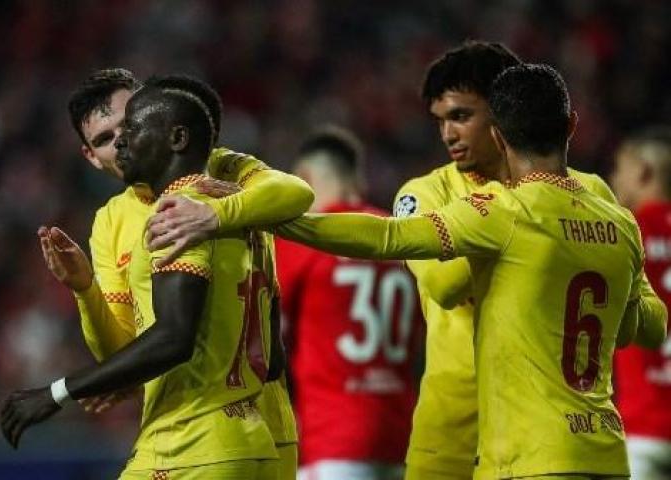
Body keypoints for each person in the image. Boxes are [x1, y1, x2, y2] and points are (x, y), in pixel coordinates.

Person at [272, 64, 660, 479]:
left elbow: (387, 238)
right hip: (605, 451)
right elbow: (645, 329)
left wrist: (280, 221)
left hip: (530, 455)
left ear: (498, 134)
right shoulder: (619, 220)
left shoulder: (504, 211)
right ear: (571, 125)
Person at [2, 75, 310, 479]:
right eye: (105, 139)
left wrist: (216, 215)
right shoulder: (111, 221)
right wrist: (85, 290)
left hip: (210, 430)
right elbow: (123, 349)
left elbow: (297, 194)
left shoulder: (212, 177)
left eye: (129, 124)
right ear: (90, 156)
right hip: (236, 432)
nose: (120, 143)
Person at [391, 41, 669, 479]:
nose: (448, 135)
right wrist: (517, 226)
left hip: (549, 434)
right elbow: (444, 287)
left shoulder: (590, 192)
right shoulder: (424, 194)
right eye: (440, 121)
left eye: (462, 116)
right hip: (450, 440)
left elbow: (650, 317)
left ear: (502, 115)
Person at [275, 126, 421, 480]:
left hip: (332, 436)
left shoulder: (307, 237)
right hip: (402, 436)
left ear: (306, 178)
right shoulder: (402, 237)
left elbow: (269, 336)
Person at [611, 127, 671, 479]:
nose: (614, 178)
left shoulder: (626, 232)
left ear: (644, 172)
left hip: (644, 425)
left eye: (621, 168)